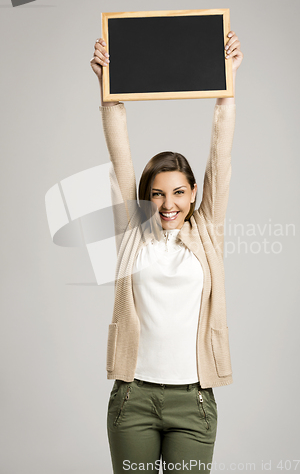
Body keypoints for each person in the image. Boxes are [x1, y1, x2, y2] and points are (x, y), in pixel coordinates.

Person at [90, 30, 243, 474]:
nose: (169, 204)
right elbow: (120, 160)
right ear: (146, 198)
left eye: (178, 192)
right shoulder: (133, 233)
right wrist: (108, 92)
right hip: (133, 400)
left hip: (192, 402)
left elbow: (221, 158)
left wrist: (227, 89)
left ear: (194, 194)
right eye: (157, 194)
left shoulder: (206, 233)